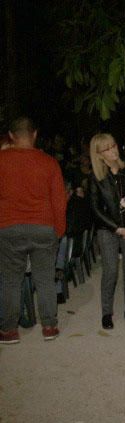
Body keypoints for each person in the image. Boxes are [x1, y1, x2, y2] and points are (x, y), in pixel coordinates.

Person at [0, 117, 66, 344]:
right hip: (42, 226)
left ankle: (9, 330)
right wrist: (59, 230)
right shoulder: (48, 162)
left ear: (11, 135)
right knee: (45, 279)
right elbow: (59, 201)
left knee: (10, 280)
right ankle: (49, 326)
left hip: (8, 227)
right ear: (35, 134)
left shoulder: (2, 159)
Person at [89, 133, 125, 329]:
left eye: (113, 145)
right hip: (108, 229)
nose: (113, 151)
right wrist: (116, 228)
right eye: (107, 148)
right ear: (99, 154)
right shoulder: (96, 176)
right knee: (110, 272)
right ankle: (106, 313)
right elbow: (94, 208)